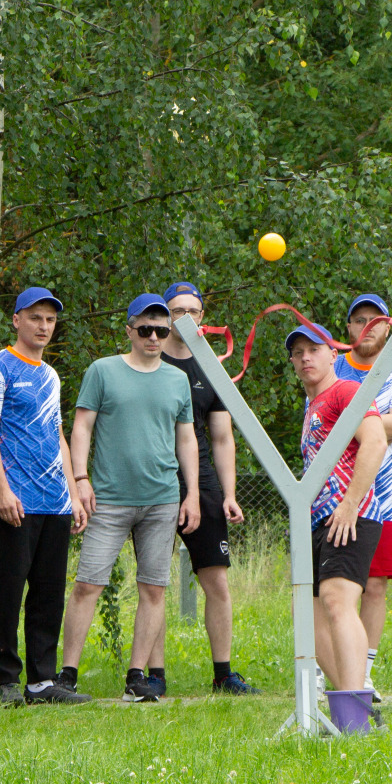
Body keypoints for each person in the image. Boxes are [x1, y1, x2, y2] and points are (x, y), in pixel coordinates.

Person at [59, 294, 200, 702]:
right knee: (88, 584)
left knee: (153, 588)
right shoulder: (103, 371)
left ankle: (137, 676)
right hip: (109, 499)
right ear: (129, 331)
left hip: (161, 498)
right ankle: (67, 674)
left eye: (161, 330)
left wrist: (191, 494)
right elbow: (81, 427)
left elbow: (186, 438)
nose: (153, 337)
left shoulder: (176, 380)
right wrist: (81, 478)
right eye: (145, 329)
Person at [0, 287, 91, 708]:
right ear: (16, 320)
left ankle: (43, 681)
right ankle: (7, 680)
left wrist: (74, 492)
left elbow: (56, 433)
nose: (44, 327)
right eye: (36, 318)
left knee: (47, 593)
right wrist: (2, 490)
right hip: (14, 502)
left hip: (53, 502)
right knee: (8, 590)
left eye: (50, 320)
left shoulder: (50, 374)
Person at [159, 281, 257, 695]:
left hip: (204, 483)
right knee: (153, 582)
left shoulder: (211, 370)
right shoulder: (149, 358)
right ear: (164, 316)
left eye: (192, 311)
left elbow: (222, 438)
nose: (185, 318)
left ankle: (223, 675)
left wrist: (229, 494)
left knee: (215, 581)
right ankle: (151, 677)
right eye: (176, 310)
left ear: (203, 317)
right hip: (156, 483)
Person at [287, 322, 388, 696]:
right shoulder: (313, 405)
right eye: (298, 353)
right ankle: (350, 696)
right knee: (309, 617)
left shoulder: (346, 390)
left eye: (314, 349)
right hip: (317, 520)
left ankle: (355, 708)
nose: (305, 358)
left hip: (352, 515)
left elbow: (375, 442)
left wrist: (349, 505)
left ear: (333, 354)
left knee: (336, 600)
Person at [334, 294, 392, 693]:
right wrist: (370, 426)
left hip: (384, 497)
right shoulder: (331, 366)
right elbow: (317, 421)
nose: (366, 327)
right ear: (348, 328)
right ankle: (329, 670)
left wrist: (353, 424)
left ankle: (363, 673)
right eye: (358, 320)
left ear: (388, 327)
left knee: (376, 585)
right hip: (332, 494)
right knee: (332, 586)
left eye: (374, 320)